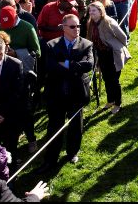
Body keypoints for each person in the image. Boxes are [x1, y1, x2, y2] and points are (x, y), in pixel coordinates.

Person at [38, 14, 93, 172]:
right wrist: (75, 67)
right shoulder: (51, 45)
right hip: (57, 93)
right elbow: (50, 67)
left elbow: (88, 64)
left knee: (76, 126)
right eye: (73, 26)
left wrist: (66, 64)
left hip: (77, 93)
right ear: (63, 28)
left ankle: (72, 152)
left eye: (78, 26)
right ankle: (50, 160)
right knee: (54, 127)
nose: (77, 29)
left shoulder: (86, 44)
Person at [86, 1, 131, 114]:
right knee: (106, 78)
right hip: (102, 54)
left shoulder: (109, 22)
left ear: (101, 11)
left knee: (114, 80)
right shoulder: (90, 23)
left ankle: (118, 103)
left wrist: (119, 48)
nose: (91, 13)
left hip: (113, 54)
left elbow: (123, 36)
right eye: (90, 10)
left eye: (94, 10)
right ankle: (110, 100)